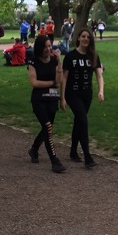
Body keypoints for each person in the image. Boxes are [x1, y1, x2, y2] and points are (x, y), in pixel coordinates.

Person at [61, 27, 104, 168]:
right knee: (83, 121)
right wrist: (62, 97)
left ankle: (73, 151)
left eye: (88, 37)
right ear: (78, 38)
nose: (86, 39)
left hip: (87, 94)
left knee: (79, 121)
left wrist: (101, 91)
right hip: (72, 94)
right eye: (83, 36)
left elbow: (99, 76)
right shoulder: (70, 56)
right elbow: (64, 77)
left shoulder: (94, 56)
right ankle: (87, 156)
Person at [26, 34, 66, 173]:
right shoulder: (33, 62)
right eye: (45, 47)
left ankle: (34, 149)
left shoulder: (54, 61)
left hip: (52, 99)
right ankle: (55, 161)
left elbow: (59, 81)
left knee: (46, 129)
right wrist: (51, 83)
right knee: (48, 127)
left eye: (50, 46)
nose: (48, 49)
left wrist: (59, 62)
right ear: (39, 48)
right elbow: (34, 82)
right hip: (39, 100)